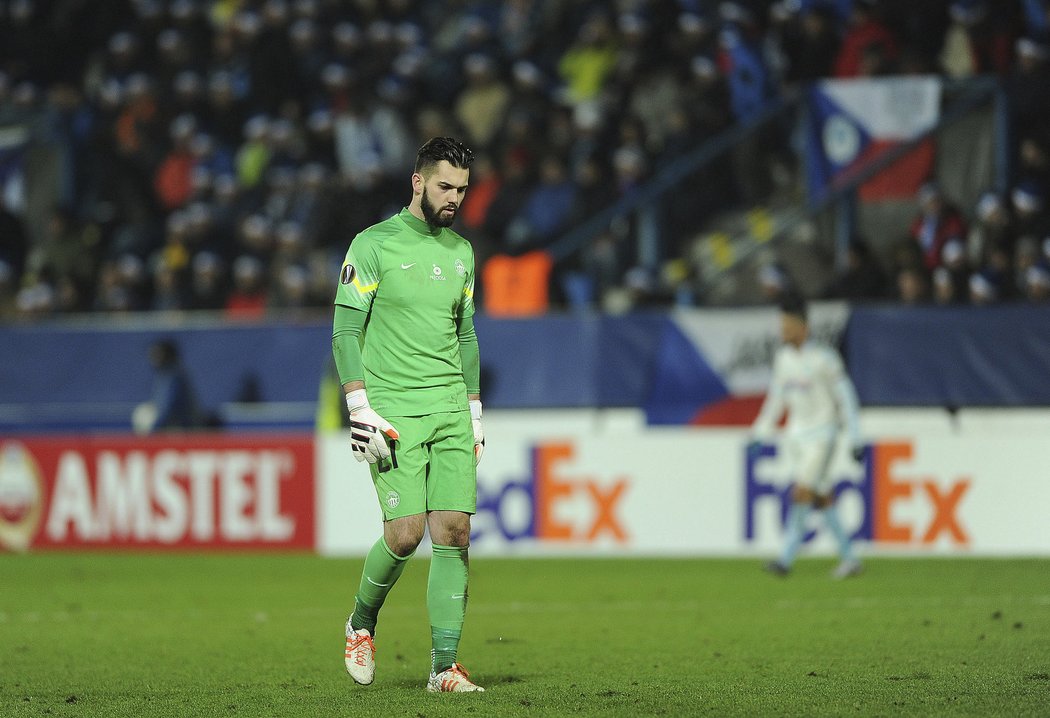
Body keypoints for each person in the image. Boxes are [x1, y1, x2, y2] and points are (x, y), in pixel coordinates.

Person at [331, 137, 486, 693]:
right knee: (404, 534)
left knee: (455, 531)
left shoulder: (462, 253)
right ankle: (360, 623)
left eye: (462, 190)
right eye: (445, 186)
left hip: (448, 406)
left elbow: (465, 334)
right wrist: (357, 404)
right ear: (418, 182)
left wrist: (473, 409)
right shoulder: (372, 246)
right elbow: (346, 330)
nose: (454, 199)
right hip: (392, 410)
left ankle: (444, 667)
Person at [748, 294, 863, 579]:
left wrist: (855, 436)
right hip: (796, 436)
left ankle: (785, 559)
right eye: (782, 326)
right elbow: (776, 399)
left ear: (803, 328)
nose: (783, 332)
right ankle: (850, 559)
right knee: (822, 496)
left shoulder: (825, 359)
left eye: (788, 326)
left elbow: (846, 397)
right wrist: (760, 432)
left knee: (801, 492)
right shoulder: (783, 359)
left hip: (823, 435)